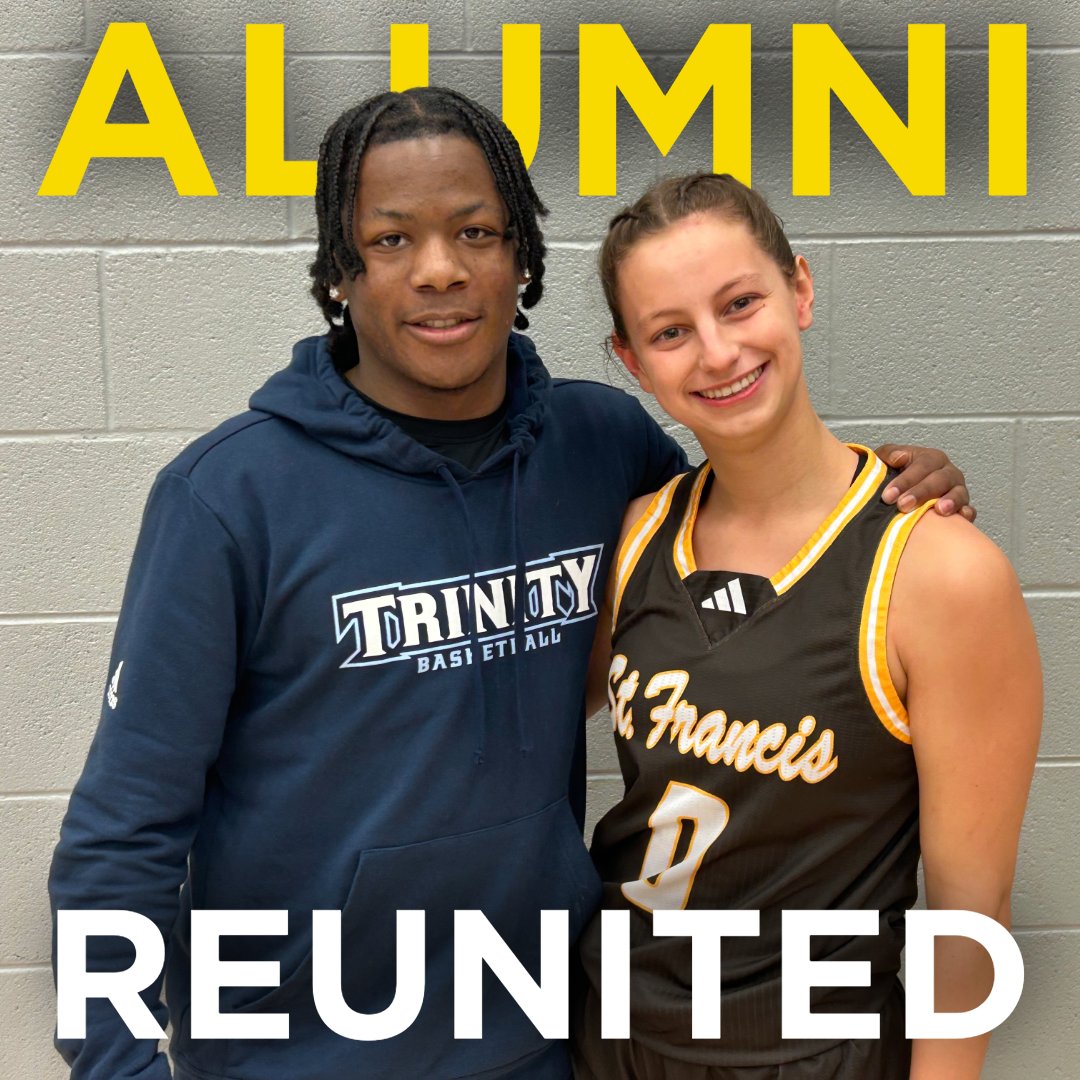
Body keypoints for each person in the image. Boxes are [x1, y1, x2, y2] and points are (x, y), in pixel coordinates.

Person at [49, 90, 972, 1080]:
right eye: (391, 239)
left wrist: (889, 492)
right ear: (339, 272)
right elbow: (121, 837)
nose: (439, 269)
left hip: (547, 1041)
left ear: (521, 255)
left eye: (476, 232)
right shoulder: (228, 498)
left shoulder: (603, 448)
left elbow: (762, 539)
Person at [572, 174, 1041, 1080]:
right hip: (614, 1034)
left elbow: (970, 917)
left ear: (801, 290)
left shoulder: (939, 572)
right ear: (631, 361)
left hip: (809, 1051)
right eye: (670, 332)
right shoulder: (635, 536)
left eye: (739, 304)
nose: (717, 352)